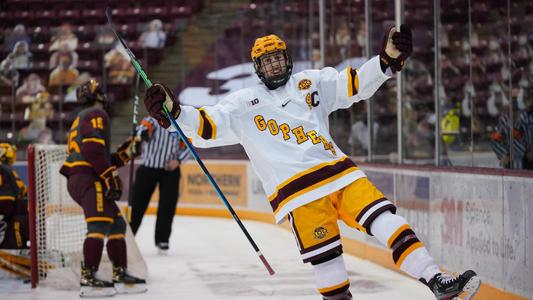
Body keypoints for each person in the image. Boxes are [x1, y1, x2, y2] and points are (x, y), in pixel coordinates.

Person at [143, 26, 481, 300]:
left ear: (287, 59)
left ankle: (436, 279)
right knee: (329, 268)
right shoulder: (242, 104)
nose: (273, 65)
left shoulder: (312, 83)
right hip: (297, 195)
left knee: (387, 220)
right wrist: (173, 110)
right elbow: (206, 123)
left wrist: (386, 60)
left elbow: (355, 85)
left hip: (341, 174)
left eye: (277, 58)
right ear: (257, 68)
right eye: (266, 61)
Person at [59, 79, 146, 297]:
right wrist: (109, 176)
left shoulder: (83, 116)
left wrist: (127, 152)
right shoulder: (96, 114)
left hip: (84, 175)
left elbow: (100, 155)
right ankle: (88, 277)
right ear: (97, 96)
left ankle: (119, 272)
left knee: (116, 225)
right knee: (98, 225)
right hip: (88, 178)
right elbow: (92, 150)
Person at [129, 117, 189, 254]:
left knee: (167, 206)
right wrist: (140, 133)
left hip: (170, 170)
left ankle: (162, 240)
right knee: (137, 204)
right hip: (148, 168)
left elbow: (189, 145)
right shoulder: (152, 120)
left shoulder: (180, 123)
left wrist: (178, 160)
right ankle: (128, 237)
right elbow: (142, 129)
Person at [0, 143, 29, 250]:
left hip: (14, 211)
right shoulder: (10, 170)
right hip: (23, 212)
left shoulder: (2, 169)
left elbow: (6, 200)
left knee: (13, 246)